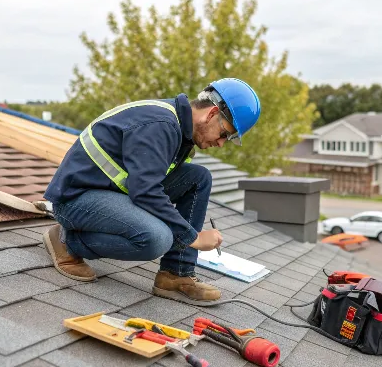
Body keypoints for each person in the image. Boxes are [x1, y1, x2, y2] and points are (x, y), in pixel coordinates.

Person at [42, 78, 261, 304]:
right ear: (212, 113)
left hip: (108, 190)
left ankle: (175, 274)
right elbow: (146, 191)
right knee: (156, 238)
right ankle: (68, 242)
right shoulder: (161, 124)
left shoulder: (179, 129)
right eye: (225, 134)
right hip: (75, 199)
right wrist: (193, 237)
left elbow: (147, 182)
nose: (221, 143)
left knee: (199, 178)